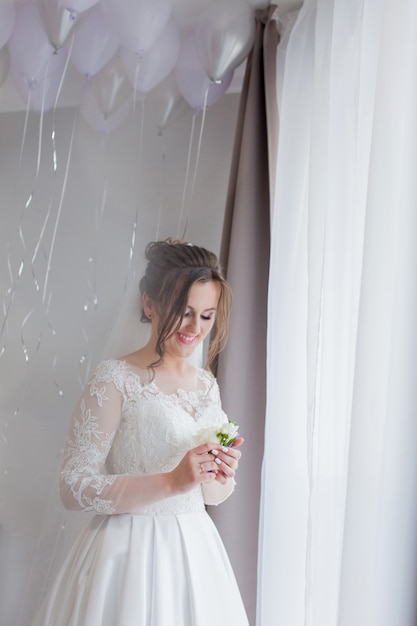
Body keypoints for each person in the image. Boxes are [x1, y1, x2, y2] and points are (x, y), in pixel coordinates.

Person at [33, 239, 249, 626]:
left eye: (206, 316)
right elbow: (73, 486)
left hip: (194, 553)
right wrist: (170, 481)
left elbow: (210, 496)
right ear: (150, 304)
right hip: (125, 552)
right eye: (184, 312)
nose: (194, 328)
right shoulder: (115, 379)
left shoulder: (206, 385)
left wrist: (220, 473)